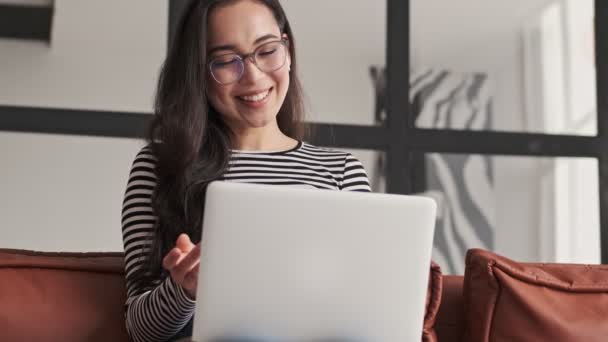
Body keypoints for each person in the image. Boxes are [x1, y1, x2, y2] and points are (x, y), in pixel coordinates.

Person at [120, 0, 371, 341]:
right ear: (199, 73)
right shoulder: (161, 165)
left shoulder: (341, 171)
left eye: (267, 51)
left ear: (288, 49)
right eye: (225, 61)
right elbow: (141, 330)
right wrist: (185, 290)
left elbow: (363, 304)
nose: (253, 76)